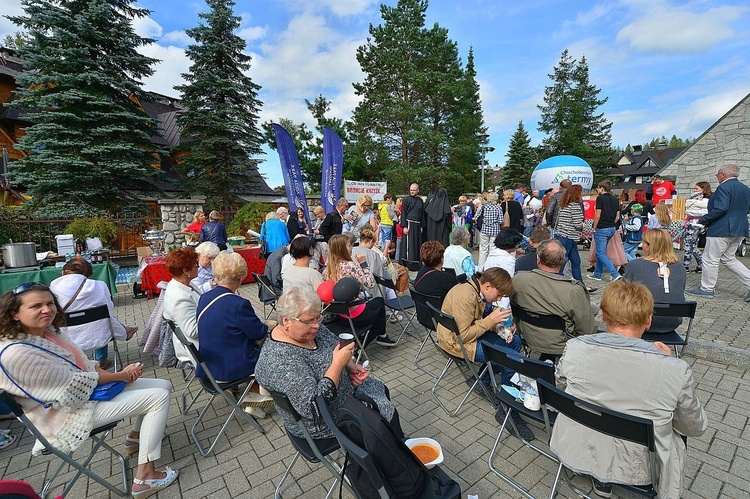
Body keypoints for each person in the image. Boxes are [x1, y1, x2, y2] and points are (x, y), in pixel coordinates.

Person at [0, 283, 179, 496]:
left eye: (50, 303)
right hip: (61, 416)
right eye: (36, 306)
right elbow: (73, 390)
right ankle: (145, 477)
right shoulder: (16, 353)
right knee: (157, 397)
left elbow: (82, 367)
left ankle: (136, 437)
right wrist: (122, 375)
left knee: (164, 384)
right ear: (15, 314)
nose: (47, 309)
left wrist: (113, 375)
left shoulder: (46, 333)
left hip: (82, 397)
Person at [550, 280, 707, 498]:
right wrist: (667, 364)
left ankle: (602, 481)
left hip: (579, 446)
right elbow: (695, 426)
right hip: (641, 465)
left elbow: (561, 387)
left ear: (603, 316)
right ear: (649, 320)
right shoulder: (674, 369)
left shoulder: (575, 348)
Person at [255, 286, 401, 440]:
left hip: (344, 396)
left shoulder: (310, 331)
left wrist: (350, 366)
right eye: (310, 320)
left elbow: (333, 345)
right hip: (325, 422)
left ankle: (394, 448)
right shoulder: (279, 360)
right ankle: (393, 453)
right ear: (286, 320)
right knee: (384, 414)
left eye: (318, 317)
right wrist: (338, 365)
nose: (317, 325)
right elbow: (314, 408)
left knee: (380, 389)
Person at [436, 268, 532, 439]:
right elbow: (463, 337)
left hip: (463, 336)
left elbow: (481, 321)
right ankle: (506, 410)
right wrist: (491, 321)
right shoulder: (466, 297)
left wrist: (501, 329)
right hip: (455, 343)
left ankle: (482, 381)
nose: (500, 299)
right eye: (499, 295)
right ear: (488, 286)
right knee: (513, 359)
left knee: (515, 343)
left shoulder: (476, 290)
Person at [196, 252, 270, 417]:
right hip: (228, 367)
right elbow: (259, 332)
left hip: (209, 364)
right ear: (240, 276)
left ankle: (251, 392)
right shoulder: (238, 304)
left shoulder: (205, 297)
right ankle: (257, 398)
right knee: (271, 349)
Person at [511, 239, 597, 360]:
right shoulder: (573, 290)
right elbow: (586, 330)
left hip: (527, 336)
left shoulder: (518, 280)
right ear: (563, 261)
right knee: (590, 312)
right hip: (561, 343)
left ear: (538, 259)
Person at [49, 258, 137, 370]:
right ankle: (102, 359)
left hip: (66, 338)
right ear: (88, 274)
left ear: (64, 272)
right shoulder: (100, 285)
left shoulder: (53, 288)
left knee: (100, 321)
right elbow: (109, 310)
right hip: (98, 334)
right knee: (103, 321)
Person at [687, 164, 750, 300]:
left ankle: (707, 288)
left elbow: (720, 209)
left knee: (710, 258)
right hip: (740, 228)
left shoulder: (723, 187)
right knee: (729, 258)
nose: (718, 178)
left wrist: (703, 220)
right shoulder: (746, 189)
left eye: (718, 175)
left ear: (723, 174)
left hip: (721, 229)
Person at [324, 235, 394, 347]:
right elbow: (370, 283)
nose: (352, 248)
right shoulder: (349, 266)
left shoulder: (328, 268)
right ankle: (363, 345)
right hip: (355, 314)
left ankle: (381, 336)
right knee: (380, 304)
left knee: (376, 310)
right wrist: (363, 263)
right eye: (349, 245)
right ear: (342, 249)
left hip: (339, 314)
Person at [624, 229, 686, 333]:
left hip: (641, 322)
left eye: (643, 243)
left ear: (649, 246)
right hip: (672, 321)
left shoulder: (635, 265)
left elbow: (623, 292)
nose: (642, 245)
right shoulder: (680, 268)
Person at [162, 248, 200, 365]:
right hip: (198, 348)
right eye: (196, 264)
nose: (198, 267)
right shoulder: (180, 297)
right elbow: (193, 331)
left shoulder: (185, 284)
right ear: (186, 270)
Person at [588, 180, 622, 282]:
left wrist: (594, 227)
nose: (597, 189)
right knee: (600, 252)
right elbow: (617, 216)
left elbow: (597, 215)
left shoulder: (600, 198)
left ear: (602, 188)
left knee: (601, 253)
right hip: (612, 227)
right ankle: (597, 273)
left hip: (602, 227)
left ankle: (615, 273)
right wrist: (611, 223)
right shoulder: (615, 199)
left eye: (598, 188)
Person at [553, 184, 585, 282]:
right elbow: (577, 224)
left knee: (575, 260)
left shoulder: (564, 205)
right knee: (564, 260)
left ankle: (579, 282)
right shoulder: (575, 206)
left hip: (563, 234)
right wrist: (583, 225)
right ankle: (557, 279)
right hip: (568, 236)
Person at [683, 181, 712, 272]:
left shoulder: (706, 201)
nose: (694, 190)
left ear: (703, 189)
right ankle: (701, 265)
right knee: (692, 246)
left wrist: (690, 210)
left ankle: (686, 266)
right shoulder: (694, 199)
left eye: (696, 189)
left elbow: (704, 212)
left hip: (697, 225)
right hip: (692, 224)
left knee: (688, 245)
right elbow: (687, 208)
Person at [476, 192, 504, 270]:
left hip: (484, 230)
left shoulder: (484, 207)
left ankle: (480, 268)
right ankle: (491, 267)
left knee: (483, 250)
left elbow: (477, 217)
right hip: (495, 230)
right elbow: (501, 220)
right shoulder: (498, 208)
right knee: (493, 249)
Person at [400, 183, 425, 261]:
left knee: (416, 243)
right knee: (409, 243)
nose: (412, 192)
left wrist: (421, 226)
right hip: (409, 224)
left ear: (418, 190)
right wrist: (404, 226)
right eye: (411, 190)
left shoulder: (420, 201)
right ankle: (408, 260)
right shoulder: (406, 200)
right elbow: (403, 212)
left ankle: (416, 260)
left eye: (414, 190)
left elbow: (422, 214)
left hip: (417, 224)